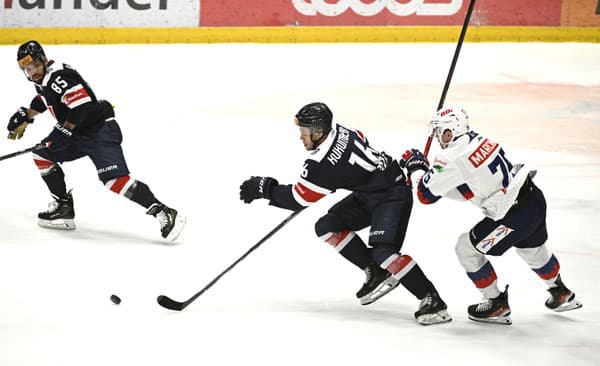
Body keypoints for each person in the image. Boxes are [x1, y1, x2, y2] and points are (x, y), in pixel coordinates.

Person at [239, 102, 451, 325]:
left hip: (392, 195)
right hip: (371, 192)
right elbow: (360, 140)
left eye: (304, 132)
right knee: (327, 226)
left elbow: (299, 198)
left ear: (319, 132)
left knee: (384, 253)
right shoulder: (340, 130)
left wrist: (265, 188)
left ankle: (431, 299)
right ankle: (376, 272)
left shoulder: (322, 165)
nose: (301, 138)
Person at [403, 106, 582, 325]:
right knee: (532, 250)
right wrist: (430, 179)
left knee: (465, 248)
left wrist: (417, 168)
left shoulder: (450, 156)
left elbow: (424, 195)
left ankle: (496, 303)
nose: (439, 137)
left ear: (451, 130)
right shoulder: (477, 140)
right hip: (533, 199)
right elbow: (467, 189)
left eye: (440, 131)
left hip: (513, 216)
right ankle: (561, 292)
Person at [6, 40, 186, 241]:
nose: (33, 72)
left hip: (100, 131)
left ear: (44, 60)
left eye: (36, 66)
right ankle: (63, 208)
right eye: (27, 69)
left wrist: (64, 131)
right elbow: (46, 99)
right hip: (79, 133)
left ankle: (164, 212)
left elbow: (83, 106)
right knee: (42, 155)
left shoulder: (58, 76)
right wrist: (27, 115)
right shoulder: (44, 80)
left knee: (114, 181)